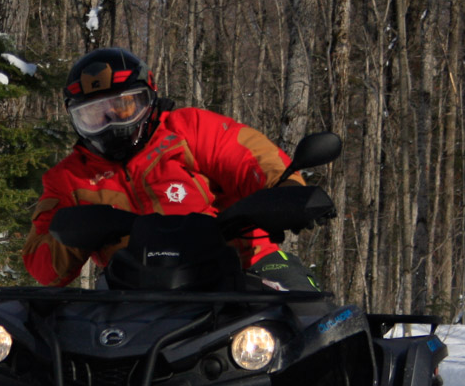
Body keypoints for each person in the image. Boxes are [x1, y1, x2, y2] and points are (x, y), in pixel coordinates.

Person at [23, 47, 318, 291]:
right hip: (132, 284)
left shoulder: (189, 129)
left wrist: (285, 192)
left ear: (148, 99)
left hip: (243, 264)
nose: (110, 122)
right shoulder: (69, 178)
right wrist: (79, 234)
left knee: (307, 318)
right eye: (93, 115)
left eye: (123, 107)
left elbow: (250, 156)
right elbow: (43, 269)